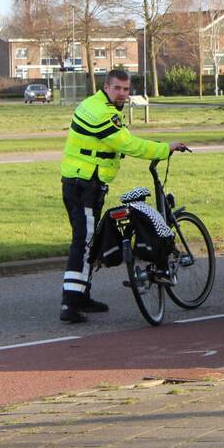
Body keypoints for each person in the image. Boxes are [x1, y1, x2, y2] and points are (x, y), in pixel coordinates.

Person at [59, 69, 188, 323]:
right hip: (84, 185)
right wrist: (165, 149)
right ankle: (70, 304)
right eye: (117, 88)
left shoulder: (94, 104)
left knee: (88, 241)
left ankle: (82, 295)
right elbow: (126, 143)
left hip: (83, 182)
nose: (122, 93)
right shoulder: (102, 112)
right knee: (83, 243)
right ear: (106, 87)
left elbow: (110, 145)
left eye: (126, 89)